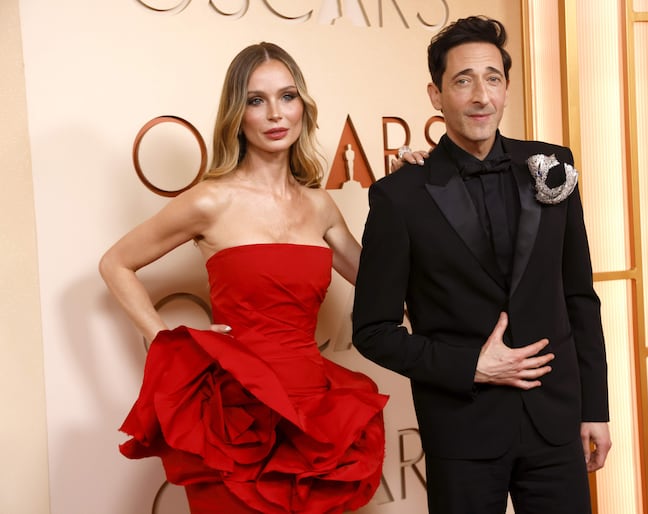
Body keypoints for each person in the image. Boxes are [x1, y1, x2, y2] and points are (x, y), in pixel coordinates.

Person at [100, 42, 396, 514]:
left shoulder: (319, 206)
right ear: (237, 115)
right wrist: (170, 343)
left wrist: (408, 195)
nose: (276, 114)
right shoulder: (209, 201)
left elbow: (383, 286)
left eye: (288, 96)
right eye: (257, 100)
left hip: (311, 414)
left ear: (303, 107)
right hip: (236, 421)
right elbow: (115, 264)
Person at [352, 16, 611, 514]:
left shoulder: (553, 166)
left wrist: (595, 408)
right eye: (463, 80)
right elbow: (372, 330)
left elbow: (579, 296)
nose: (480, 96)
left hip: (555, 423)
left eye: (492, 78)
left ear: (507, 88)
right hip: (462, 430)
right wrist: (472, 366)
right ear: (436, 94)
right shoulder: (400, 197)